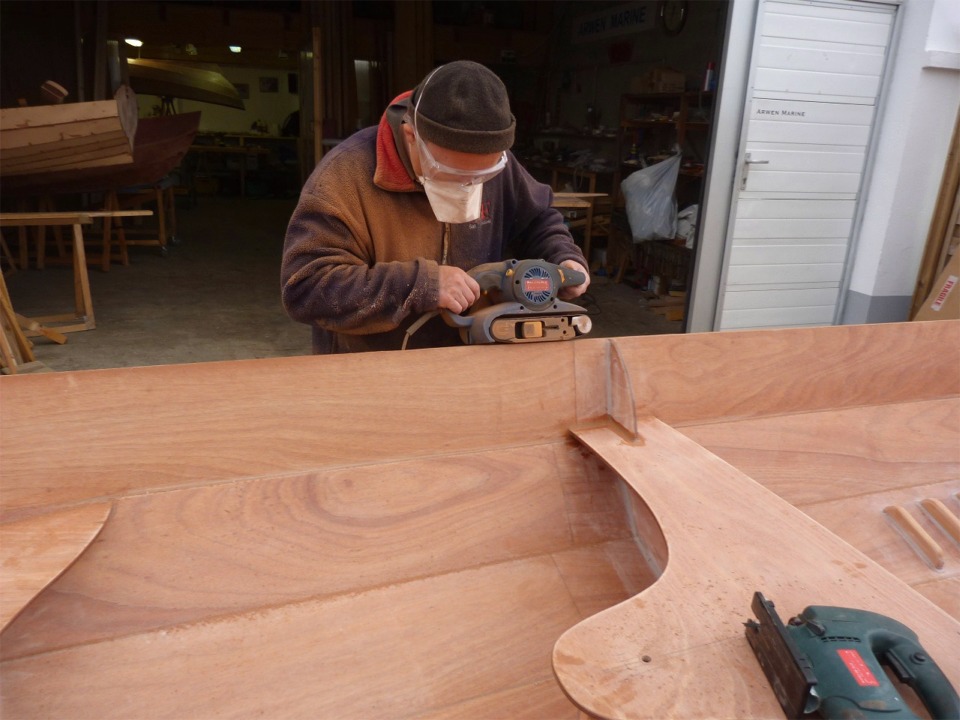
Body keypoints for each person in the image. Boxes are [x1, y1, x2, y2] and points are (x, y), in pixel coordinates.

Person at [281, 60, 590, 354]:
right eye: (453, 173)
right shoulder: (343, 178)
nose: (469, 185)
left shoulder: (496, 163)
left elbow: (537, 219)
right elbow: (306, 289)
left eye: (483, 175)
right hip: (373, 369)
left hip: (468, 360)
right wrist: (420, 285)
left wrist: (563, 255)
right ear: (411, 136)